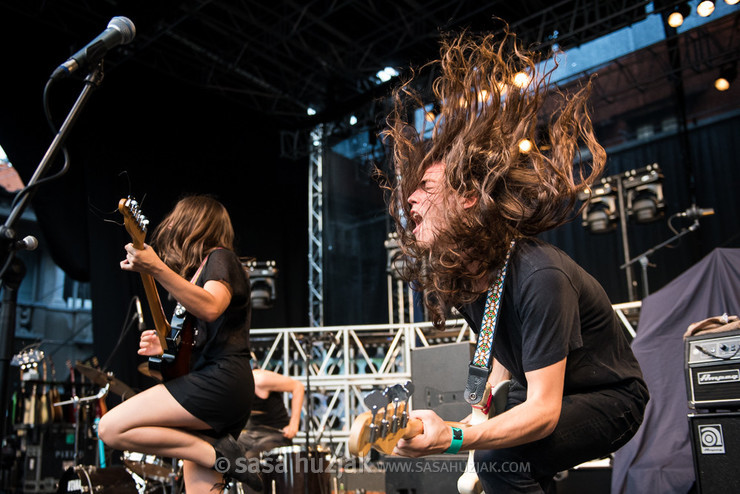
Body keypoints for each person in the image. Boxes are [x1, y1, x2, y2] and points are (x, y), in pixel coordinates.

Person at [384, 30, 650, 493]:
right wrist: (479, 412)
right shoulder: (466, 275)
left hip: (607, 397)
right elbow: (505, 350)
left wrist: (457, 437)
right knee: (500, 454)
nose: (409, 199)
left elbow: (544, 412)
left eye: (426, 188)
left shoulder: (539, 275)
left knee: (499, 458)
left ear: (469, 197)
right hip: (541, 389)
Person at [98, 195, 262, 493]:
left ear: (195, 223)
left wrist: (156, 268)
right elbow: (207, 335)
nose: (169, 223)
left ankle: (216, 453)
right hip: (214, 380)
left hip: (222, 380)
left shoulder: (220, 257)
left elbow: (211, 307)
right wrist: (167, 348)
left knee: (111, 427)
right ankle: (214, 449)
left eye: (177, 216)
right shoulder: (198, 272)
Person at [238, 368, 305, 458]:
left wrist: (294, 424)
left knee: (250, 458)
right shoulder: (228, 387)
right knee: (221, 450)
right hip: (251, 434)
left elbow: (298, 386)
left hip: (275, 434)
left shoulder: (259, 379)